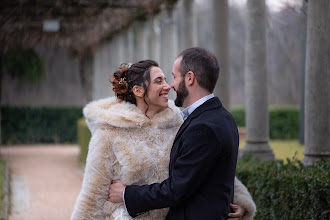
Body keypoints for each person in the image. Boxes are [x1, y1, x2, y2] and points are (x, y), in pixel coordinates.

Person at [71, 59, 256, 220]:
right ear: (138, 90)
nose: (168, 86)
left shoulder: (177, 123)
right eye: (158, 81)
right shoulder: (109, 132)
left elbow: (202, 168)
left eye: (167, 79)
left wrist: (238, 200)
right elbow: (92, 195)